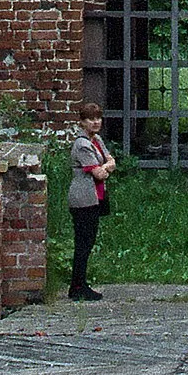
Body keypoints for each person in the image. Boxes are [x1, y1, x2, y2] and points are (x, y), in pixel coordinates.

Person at [67, 102, 117, 301]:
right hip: (83, 199)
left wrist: (107, 165)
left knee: (88, 242)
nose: (96, 122)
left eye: (98, 118)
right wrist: (106, 167)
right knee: (83, 243)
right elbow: (100, 173)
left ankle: (80, 283)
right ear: (82, 122)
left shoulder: (96, 140)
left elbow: (111, 161)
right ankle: (78, 286)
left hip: (94, 197)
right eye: (91, 119)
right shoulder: (82, 144)